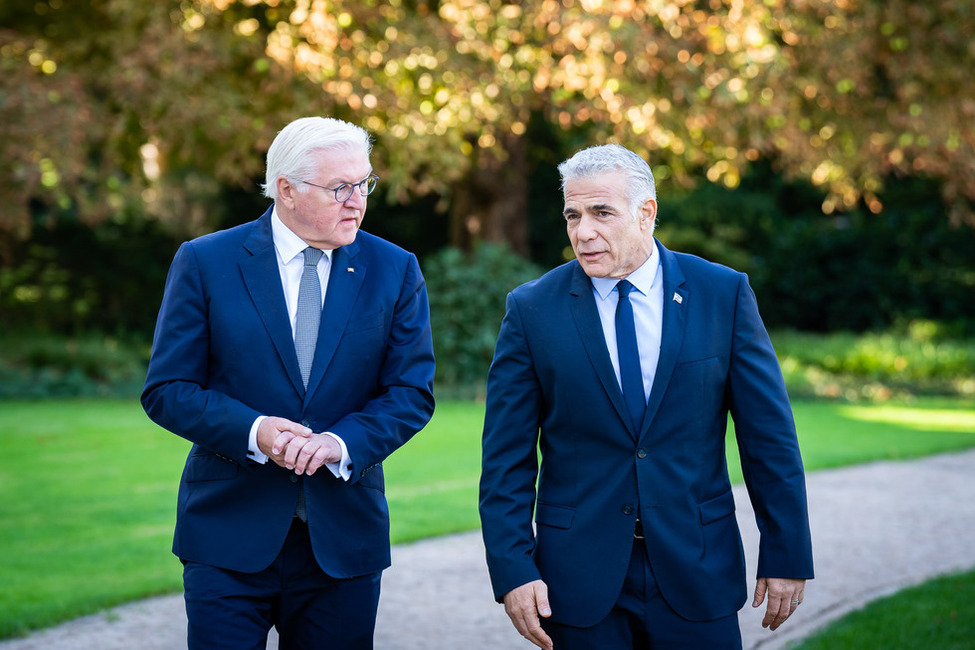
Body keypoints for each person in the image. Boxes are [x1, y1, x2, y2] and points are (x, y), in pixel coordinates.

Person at [478, 144, 813, 649]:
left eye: (601, 213)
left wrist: (786, 552)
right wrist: (512, 569)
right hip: (576, 580)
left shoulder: (722, 293)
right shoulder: (531, 310)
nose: (583, 232)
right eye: (573, 215)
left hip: (698, 567)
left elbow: (770, 439)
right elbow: (506, 457)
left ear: (646, 213)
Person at [142, 116, 435, 649]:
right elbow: (168, 389)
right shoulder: (207, 261)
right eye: (340, 187)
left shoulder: (395, 268)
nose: (357, 201)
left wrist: (338, 444)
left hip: (343, 538)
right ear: (287, 190)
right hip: (227, 536)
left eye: (364, 183)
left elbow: (410, 393)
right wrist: (256, 433)